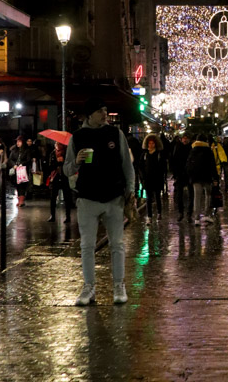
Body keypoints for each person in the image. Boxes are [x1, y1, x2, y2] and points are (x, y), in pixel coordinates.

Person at [64, 97, 135, 306]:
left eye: (105, 110)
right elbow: (67, 169)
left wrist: (130, 190)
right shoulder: (78, 137)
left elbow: (126, 165)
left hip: (114, 197)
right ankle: (89, 287)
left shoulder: (115, 134)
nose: (104, 114)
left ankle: (119, 285)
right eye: (100, 111)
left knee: (118, 244)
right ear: (89, 115)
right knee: (87, 245)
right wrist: (76, 163)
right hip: (87, 197)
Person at [186, 132, 218, 226]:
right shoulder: (208, 151)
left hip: (196, 178)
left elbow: (188, 164)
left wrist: (190, 176)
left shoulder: (193, 150)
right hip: (207, 177)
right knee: (208, 195)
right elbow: (212, 165)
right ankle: (207, 214)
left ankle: (196, 218)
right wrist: (215, 178)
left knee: (197, 197)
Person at [139, 133, 166, 224]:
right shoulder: (144, 154)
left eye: (152, 143)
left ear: (155, 144)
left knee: (158, 197)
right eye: (149, 143)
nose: (151, 145)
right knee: (148, 198)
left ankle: (159, 212)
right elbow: (141, 166)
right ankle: (149, 216)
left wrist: (162, 177)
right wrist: (142, 176)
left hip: (157, 179)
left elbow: (163, 167)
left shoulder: (159, 154)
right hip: (148, 179)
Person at [48, 141, 73, 223]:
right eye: (56, 144)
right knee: (53, 197)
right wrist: (57, 163)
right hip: (55, 177)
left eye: (59, 144)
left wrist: (63, 161)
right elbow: (50, 166)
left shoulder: (67, 153)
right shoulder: (52, 154)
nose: (57, 146)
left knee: (67, 197)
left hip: (65, 177)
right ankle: (52, 215)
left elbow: (70, 165)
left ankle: (68, 216)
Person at [170, 131, 194, 222]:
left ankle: (189, 214)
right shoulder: (177, 147)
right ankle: (181, 212)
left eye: (187, 138)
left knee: (191, 195)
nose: (185, 139)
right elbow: (173, 160)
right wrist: (175, 173)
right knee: (179, 195)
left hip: (189, 174)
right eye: (184, 138)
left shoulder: (192, 148)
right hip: (180, 174)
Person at [7, 135, 31, 207]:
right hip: (16, 170)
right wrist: (14, 165)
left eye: (19, 141)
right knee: (17, 185)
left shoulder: (27, 150)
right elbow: (10, 159)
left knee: (22, 185)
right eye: (17, 141)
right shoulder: (14, 150)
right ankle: (19, 199)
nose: (18, 143)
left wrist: (22, 164)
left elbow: (28, 160)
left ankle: (21, 200)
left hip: (23, 171)